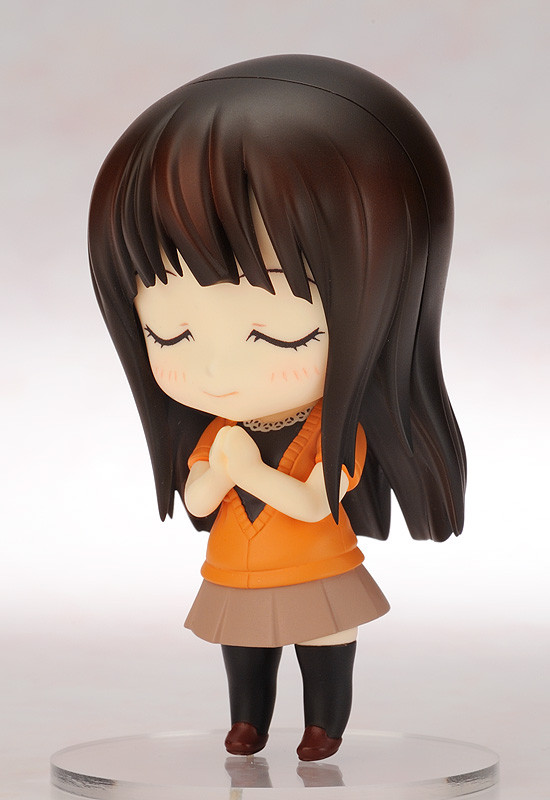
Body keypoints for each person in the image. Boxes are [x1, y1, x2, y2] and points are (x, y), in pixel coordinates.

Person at [89, 54, 466, 761]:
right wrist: (218, 471)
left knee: (323, 644)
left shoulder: (331, 431)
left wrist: (246, 471)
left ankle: (324, 726)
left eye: (275, 335)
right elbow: (198, 499)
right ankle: (248, 723)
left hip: (317, 568)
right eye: (170, 335)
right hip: (237, 567)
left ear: (380, 306)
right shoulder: (220, 432)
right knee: (244, 648)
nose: (218, 370)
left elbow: (315, 502)